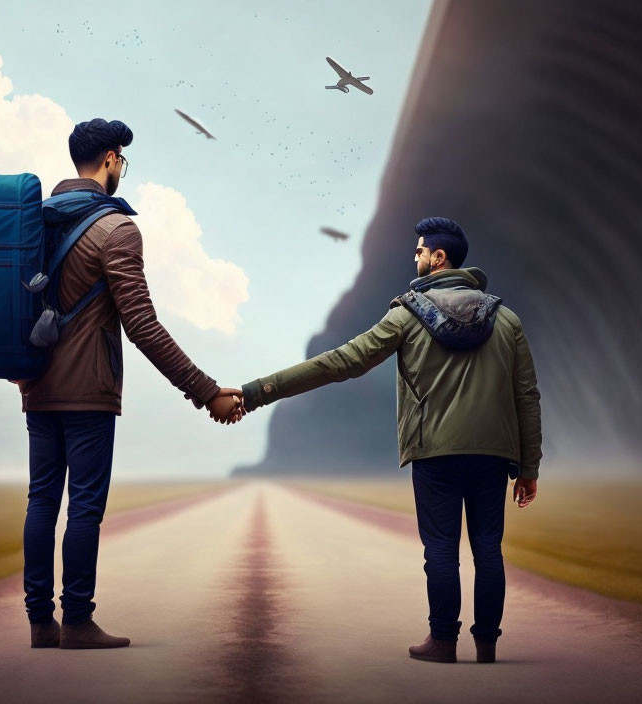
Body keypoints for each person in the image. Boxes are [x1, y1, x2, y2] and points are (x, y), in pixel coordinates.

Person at [231, 217, 541, 664]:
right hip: (493, 455)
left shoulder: (408, 315)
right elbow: (526, 396)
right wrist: (528, 467)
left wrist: (258, 390)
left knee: (440, 549)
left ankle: (442, 642)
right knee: (488, 548)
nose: (413, 257)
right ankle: (487, 644)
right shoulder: (507, 320)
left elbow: (342, 362)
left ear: (439, 257)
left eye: (419, 250)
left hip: (434, 452)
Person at [13, 118, 244, 650]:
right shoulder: (117, 229)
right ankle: (76, 621)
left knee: (42, 500)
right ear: (112, 160)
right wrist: (206, 389)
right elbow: (141, 324)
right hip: (89, 389)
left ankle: (38, 623)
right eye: (123, 162)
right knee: (85, 504)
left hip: (37, 385)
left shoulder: (35, 223)